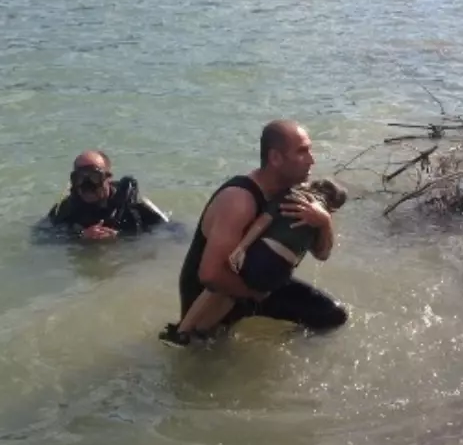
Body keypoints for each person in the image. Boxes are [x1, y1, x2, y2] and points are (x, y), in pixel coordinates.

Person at [163, 120, 348, 343]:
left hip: (260, 282)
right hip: (216, 291)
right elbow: (210, 275)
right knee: (207, 359)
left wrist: (324, 221)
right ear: (275, 158)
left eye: (310, 150)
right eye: (302, 152)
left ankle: (279, 349)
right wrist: (256, 295)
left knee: (332, 316)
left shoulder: (297, 196)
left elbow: (322, 254)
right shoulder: (239, 200)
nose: (312, 160)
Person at [45, 150, 170, 240]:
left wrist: (120, 237)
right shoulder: (65, 209)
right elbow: (42, 237)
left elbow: (174, 232)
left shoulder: (135, 207)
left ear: (108, 178)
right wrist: (80, 236)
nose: (87, 185)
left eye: (94, 177)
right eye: (80, 178)